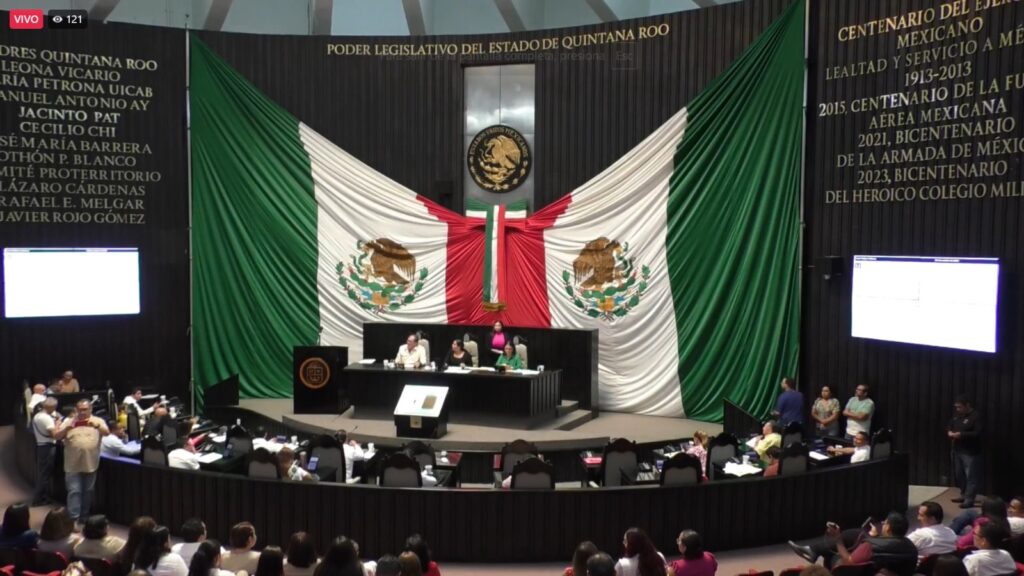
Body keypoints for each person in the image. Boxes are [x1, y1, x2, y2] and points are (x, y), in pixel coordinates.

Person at [788, 512, 917, 575]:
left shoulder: (870, 545)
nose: (882, 524)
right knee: (857, 533)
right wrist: (876, 537)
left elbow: (849, 562)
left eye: (885, 523)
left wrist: (838, 539)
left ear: (888, 527)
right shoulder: (911, 547)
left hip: (856, 572)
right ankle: (813, 550)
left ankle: (814, 551)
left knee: (833, 555)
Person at [54, 398, 109, 523]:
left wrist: (97, 426)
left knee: (88, 492)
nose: (82, 412)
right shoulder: (68, 421)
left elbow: (106, 433)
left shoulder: (98, 421)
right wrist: (66, 429)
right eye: (79, 410)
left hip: (90, 463)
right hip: (72, 464)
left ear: (90, 409)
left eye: (85, 409)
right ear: (76, 410)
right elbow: (56, 436)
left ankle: (84, 517)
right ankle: (73, 520)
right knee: (74, 491)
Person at [948, 395, 983, 509]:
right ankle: (963, 494)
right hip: (957, 450)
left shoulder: (976, 417)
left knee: (971, 476)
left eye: (960, 407)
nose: (958, 409)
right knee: (959, 475)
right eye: (956, 407)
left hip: (970, 452)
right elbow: (950, 425)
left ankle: (969, 499)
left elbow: (977, 433)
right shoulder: (957, 416)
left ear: (967, 405)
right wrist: (949, 432)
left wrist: (961, 434)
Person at [32, 396, 62, 505]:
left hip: (41, 446)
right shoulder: (47, 419)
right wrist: (58, 422)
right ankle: (38, 500)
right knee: (44, 475)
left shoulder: (37, 415)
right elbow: (55, 435)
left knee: (42, 474)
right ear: (52, 407)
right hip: (47, 448)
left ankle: (41, 498)